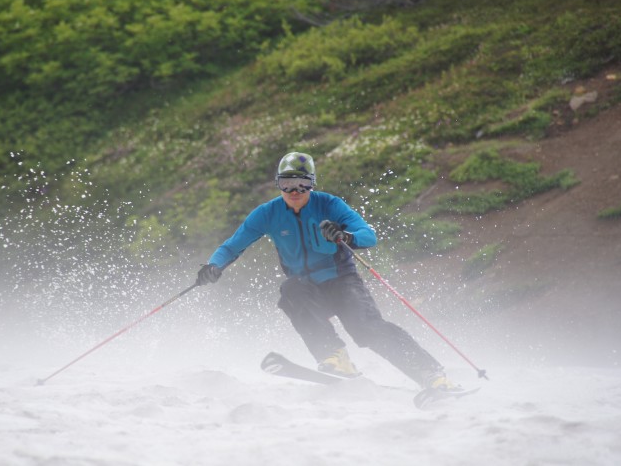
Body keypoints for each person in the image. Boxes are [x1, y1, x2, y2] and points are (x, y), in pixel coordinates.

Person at [196, 151, 458, 392]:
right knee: (290, 290)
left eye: (303, 184)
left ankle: (433, 375)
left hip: (342, 282)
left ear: (312, 184)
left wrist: (345, 236)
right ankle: (335, 357)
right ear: (278, 184)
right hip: (307, 290)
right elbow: (232, 246)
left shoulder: (330, 204)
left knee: (366, 329)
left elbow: (368, 236)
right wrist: (213, 266)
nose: (294, 191)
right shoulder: (267, 214)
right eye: (287, 184)